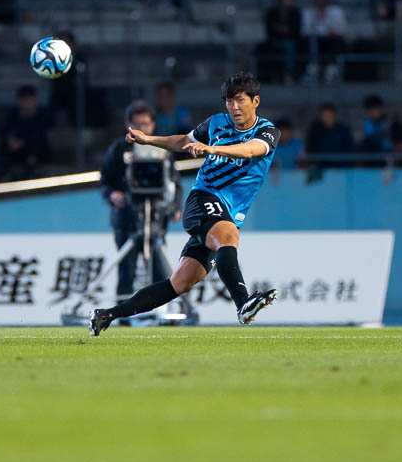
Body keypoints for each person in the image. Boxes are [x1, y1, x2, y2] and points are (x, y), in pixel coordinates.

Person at [90, 71, 280, 335]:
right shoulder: (216, 123)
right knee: (228, 237)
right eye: (229, 101)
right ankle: (243, 303)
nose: (234, 107)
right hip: (203, 199)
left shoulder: (267, 131)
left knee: (179, 283)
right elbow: (184, 141)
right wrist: (149, 140)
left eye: (240, 100)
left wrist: (212, 149)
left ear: (255, 101)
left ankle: (107, 315)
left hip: (228, 212)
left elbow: (250, 150)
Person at [99, 101, 182, 313]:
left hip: (156, 218)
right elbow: (105, 180)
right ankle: (120, 315)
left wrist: (175, 207)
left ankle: (162, 313)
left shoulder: (163, 148)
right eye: (137, 124)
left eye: (145, 124)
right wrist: (112, 195)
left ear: (153, 124)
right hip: (127, 218)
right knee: (126, 271)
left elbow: (175, 182)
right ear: (128, 124)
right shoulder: (119, 149)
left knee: (160, 270)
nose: (141, 129)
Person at [0, 85, 49, 181]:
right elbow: (6, 130)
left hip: (37, 150)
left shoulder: (42, 114)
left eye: (29, 99)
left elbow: (39, 133)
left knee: (34, 146)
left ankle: (29, 173)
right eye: (24, 100)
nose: (26, 102)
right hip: (16, 149)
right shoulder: (13, 114)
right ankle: (4, 175)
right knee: (5, 146)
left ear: (34, 100)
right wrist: (11, 140)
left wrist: (23, 142)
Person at [302, 0, 347, 83]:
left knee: (335, 41)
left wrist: (325, 21)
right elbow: (306, 30)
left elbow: (341, 29)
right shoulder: (308, 11)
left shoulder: (337, 11)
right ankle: (312, 68)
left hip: (332, 40)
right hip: (315, 40)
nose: (319, 0)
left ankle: (331, 70)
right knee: (311, 42)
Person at [263, 0, 302, 84]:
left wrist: (283, 30)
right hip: (274, 40)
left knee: (290, 45)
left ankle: (289, 74)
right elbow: (270, 30)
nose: (289, 1)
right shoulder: (271, 13)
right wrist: (282, 30)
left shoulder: (295, 13)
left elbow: (295, 30)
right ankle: (275, 75)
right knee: (286, 46)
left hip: (292, 40)